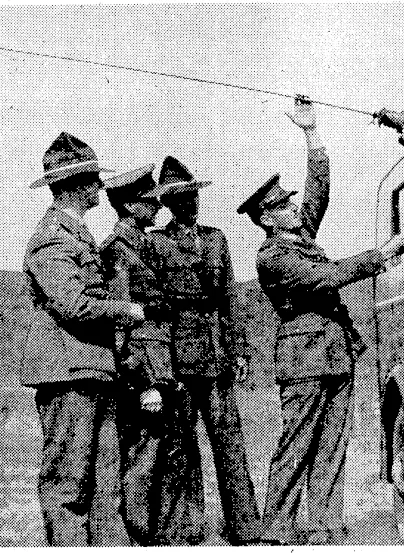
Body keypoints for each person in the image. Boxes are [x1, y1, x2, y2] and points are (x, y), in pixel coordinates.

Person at [237, 98, 404, 545]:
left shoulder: (298, 236)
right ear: (265, 218)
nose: (294, 208)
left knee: (334, 444)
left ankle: (321, 525)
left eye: (290, 204)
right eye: (282, 207)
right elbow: (327, 277)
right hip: (304, 360)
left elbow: (319, 186)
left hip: (334, 355)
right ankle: (275, 530)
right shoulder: (273, 257)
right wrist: (383, 254)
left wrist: (310, 132)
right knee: (297, 444)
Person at [21, 132, 145, 546]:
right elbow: (73, 304)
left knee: (104, 484)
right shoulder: (52, 238)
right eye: (93, 178)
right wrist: (126, 310)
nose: (99, 187)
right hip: (69, 376)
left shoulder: (74, 234)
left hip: (92, 371)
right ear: (75, 186)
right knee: (69, 484)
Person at [148, 156, 262, 545]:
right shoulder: (155, 244)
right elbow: (154, 307)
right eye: (179, 198)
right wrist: (162, 364)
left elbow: (230, 298)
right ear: (167, 205)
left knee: (230, 441)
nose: (189, 203)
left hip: (217, 352)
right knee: (180, 443)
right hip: (180, 356)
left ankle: (245, 527)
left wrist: (240, 351)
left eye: (192, 195)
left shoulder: (217, 239)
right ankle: (186, 530)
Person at [99, 164, 204, 545]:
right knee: (143, 461)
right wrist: (144, 382)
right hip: (146, 374)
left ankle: (169, 535)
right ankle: (143, 538)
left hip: (164, 367)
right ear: (128, 205)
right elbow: (121, 324)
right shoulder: (116, 252)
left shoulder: (142, 245)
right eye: (148, 200)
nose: (158, 207)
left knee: (168, 455)